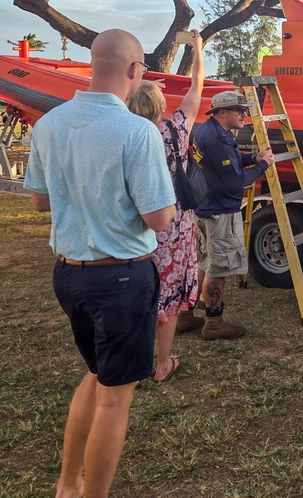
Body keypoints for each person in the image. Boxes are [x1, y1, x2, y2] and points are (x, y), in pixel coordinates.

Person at [24, 28, 176, 498]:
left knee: (95, 374)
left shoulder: (49, 124)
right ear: (135, 71)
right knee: (115, 398)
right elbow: (160, 217)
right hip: (122, 275)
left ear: (93, 65)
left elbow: (39, 203)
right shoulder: (137, 131)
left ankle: (68, 482)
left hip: (69, 274)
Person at [126, 30, 205, 382]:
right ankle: (162, 364)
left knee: (140, 296)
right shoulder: (175, 130)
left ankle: (134, 361)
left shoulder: (125, 136)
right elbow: (195, 90)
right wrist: (198, 51)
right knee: (169, 299)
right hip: (175, 225)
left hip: (135, 225)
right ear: (159, 106)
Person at [193, 90, 274, 340]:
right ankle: (214, 324)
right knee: (217, 269)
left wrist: (252, 157)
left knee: (203, 264)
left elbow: (229, 160)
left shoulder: (208, 131)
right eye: (239, 110)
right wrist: (263, 165)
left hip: (204, 207)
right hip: (220, 213)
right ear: (222, 112)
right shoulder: (219, 139)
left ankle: (185, 315)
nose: (244, 114)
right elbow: (235, 182)